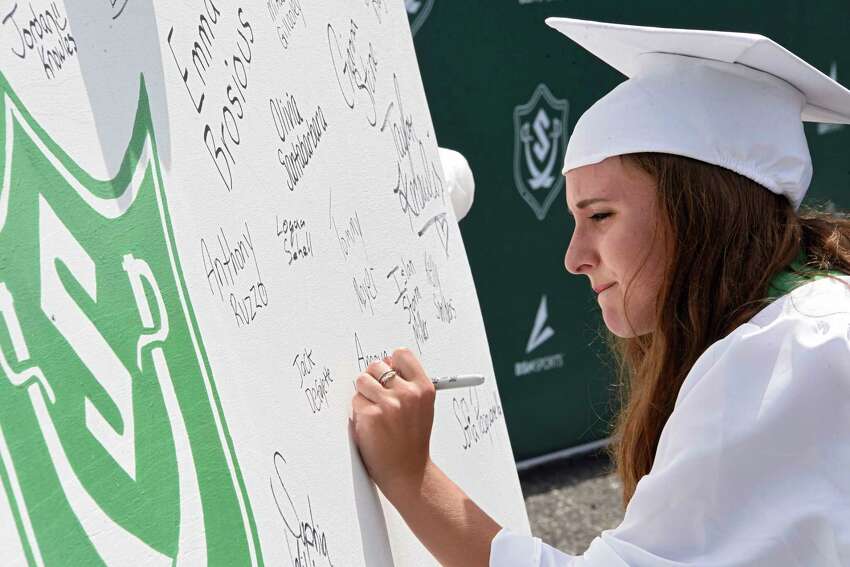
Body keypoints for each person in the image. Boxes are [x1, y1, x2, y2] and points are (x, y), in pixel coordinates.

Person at [350, 18, 850, 566]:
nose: (574, 258)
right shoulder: (808, 325)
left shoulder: (789, 353)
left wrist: (409, 476)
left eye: (601, 216)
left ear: (701, 212)